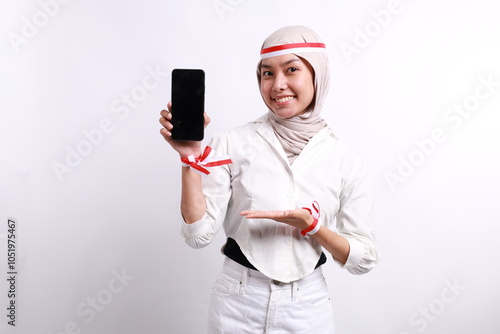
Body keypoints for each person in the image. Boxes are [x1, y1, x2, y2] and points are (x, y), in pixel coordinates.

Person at [159, 25, 378, 334]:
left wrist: (314, 229)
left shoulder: (346, 160)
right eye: (267, 74)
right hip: (236, 301)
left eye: (291, 70)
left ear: (318, 74)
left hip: (307, 307)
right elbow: (198, 235)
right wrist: (190, 160)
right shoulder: (231, 144)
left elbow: (363, 258)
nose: (278, 85)